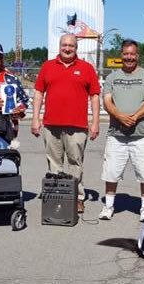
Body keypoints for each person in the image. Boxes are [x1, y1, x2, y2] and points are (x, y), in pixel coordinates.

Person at [30, 34, 101, 213]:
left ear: (76, 48)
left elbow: (94, 96)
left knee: (75, 163)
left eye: (71, 45)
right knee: (54, 164)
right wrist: (35, 118)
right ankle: (57, 197)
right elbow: (38, 93)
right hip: (51, 125)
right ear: (59, 46)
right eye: (64, 45)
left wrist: (95, 122)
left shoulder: (86, 68)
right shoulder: (47, 66)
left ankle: (77, 198)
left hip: (77, 126)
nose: (67, 48)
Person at [98, 39, 144, 221]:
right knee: (111, 171)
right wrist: (119, 116)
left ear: (137, 55)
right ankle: (109, 206)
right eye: (126, 54)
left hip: (142, 135)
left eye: (132, 54)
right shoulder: (112, 77)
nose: (129, 57)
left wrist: (135, 116)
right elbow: (107, 101)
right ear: (121, 55)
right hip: (117, 135)